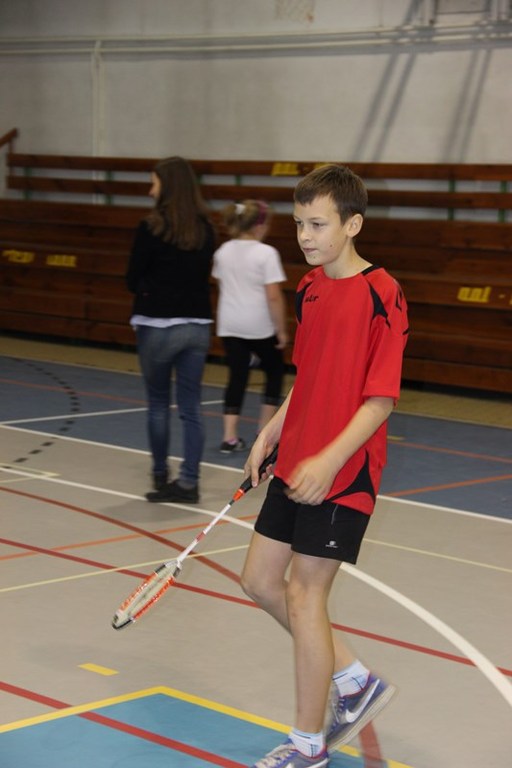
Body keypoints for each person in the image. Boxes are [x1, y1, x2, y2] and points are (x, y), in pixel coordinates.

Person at [240, 164, 409, 768]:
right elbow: (308, 378)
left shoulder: (382, 292)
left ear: (352, 224)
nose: (305, 236)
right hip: (296, 461)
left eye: (317, 224)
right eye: (298, 224)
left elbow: (380, 399)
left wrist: (329, 459)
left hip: (343, 472)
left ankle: (308, 746)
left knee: (305, 594)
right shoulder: (311, 288)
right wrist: (272, 432)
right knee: (260, 581)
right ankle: (353, 679)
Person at [126, 156, 215, 504]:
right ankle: (189, 482)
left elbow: (132, 277)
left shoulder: (151, 227)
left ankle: (161, 476)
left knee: (158, 403)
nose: (151, 190)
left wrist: (150, 289)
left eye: (154, 182)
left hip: (158, 324)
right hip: (197, 324)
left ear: (167, 186)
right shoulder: (205, 229)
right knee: (192, 407)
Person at [212, 200, 288, 453]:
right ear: (259, 226)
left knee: (237, 375)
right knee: (274, 371)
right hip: (258, 325)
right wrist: (281, 330)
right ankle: (264, 430)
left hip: (230, 324)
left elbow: (222, 284)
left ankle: (229, 437)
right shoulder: (266, 253)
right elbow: (274, 296)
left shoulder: (223, 251)